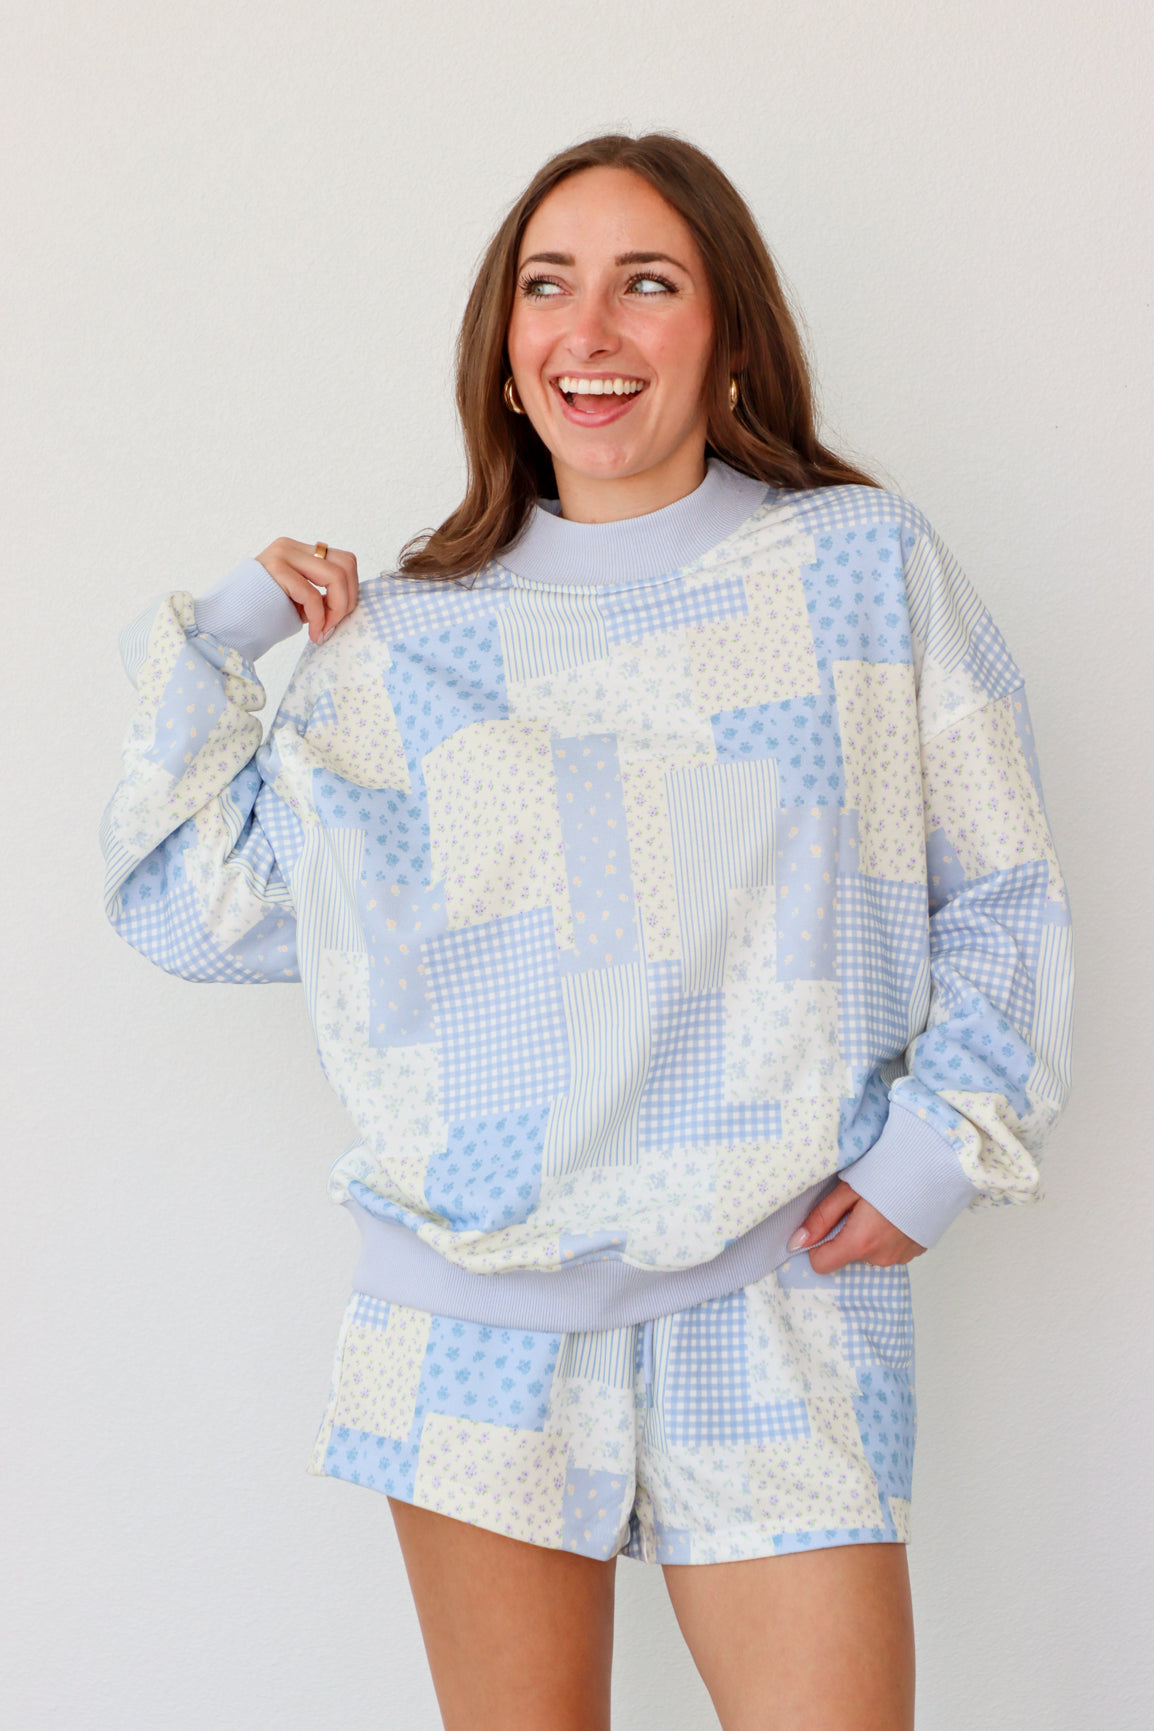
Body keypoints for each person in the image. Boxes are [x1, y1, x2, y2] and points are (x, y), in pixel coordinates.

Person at [100, 133, 1074, 1731]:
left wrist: (937, 1155)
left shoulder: (853, 569)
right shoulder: (408, 642)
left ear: (731, 334)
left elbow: (1000, 879)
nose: (589, 331)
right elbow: (197, 914)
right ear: (502, 348)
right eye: (547, 288)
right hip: (466, 1310)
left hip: (777, 1285)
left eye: (648, 283)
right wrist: (224, 641)